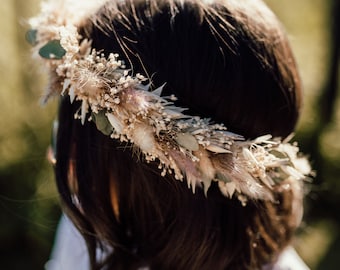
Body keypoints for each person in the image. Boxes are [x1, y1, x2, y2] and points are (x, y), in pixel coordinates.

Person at [28, 0, 312, 269]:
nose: (55, 156)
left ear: (153, 172)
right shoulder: (89, 224)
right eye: (61, 136)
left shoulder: (94, 214)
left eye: (76, 143)